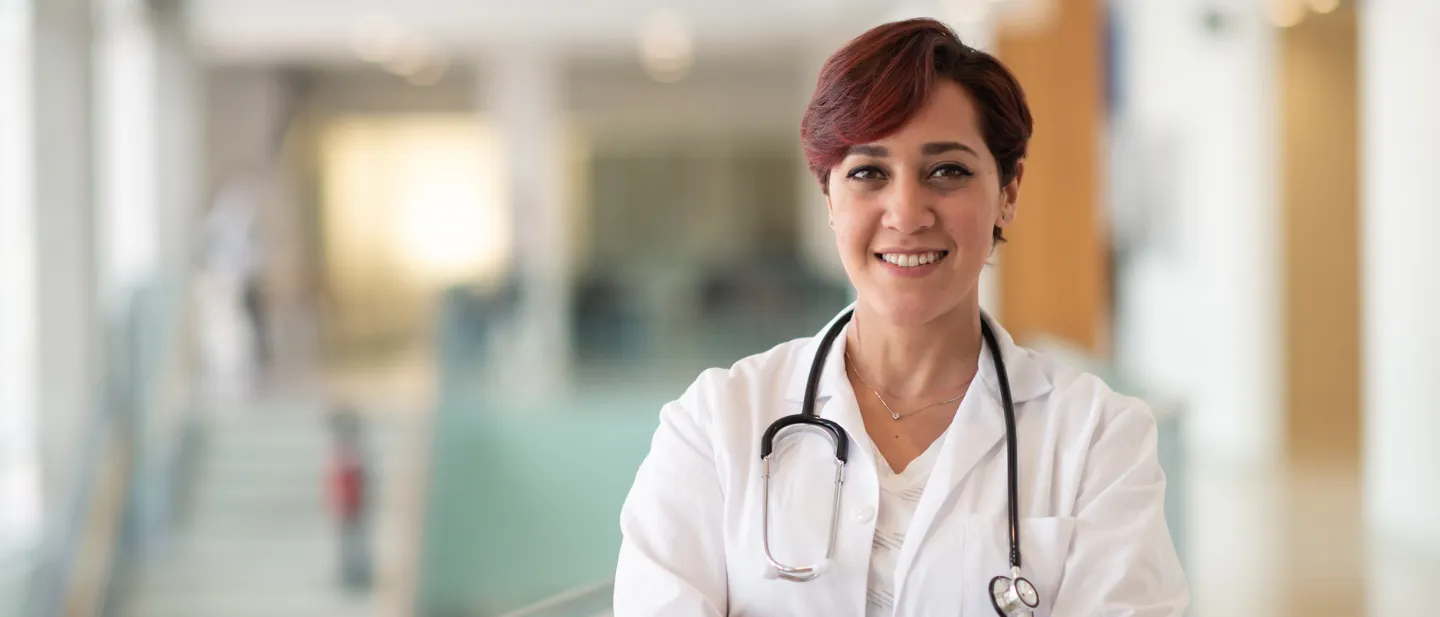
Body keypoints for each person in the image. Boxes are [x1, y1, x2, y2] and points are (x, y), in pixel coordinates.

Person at [612, 18, 1188, 617]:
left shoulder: (1099, 439)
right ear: (829, 197)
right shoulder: (714, 425)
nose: (907, 212)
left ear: (1009, 193)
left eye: (948, 171)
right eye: (868, 173)